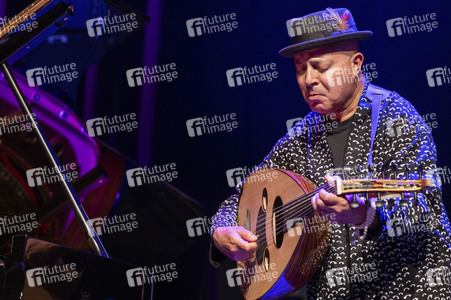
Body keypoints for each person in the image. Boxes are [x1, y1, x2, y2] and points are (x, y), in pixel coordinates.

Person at [210, 7, 451, 300]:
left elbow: (423, 206)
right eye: (300, 68)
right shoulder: (302, 136)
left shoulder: (395, 117)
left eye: (321, 67)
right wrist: (221, 231)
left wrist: (366, 214)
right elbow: (240, 197)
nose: (308, 79)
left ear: (355, 64)